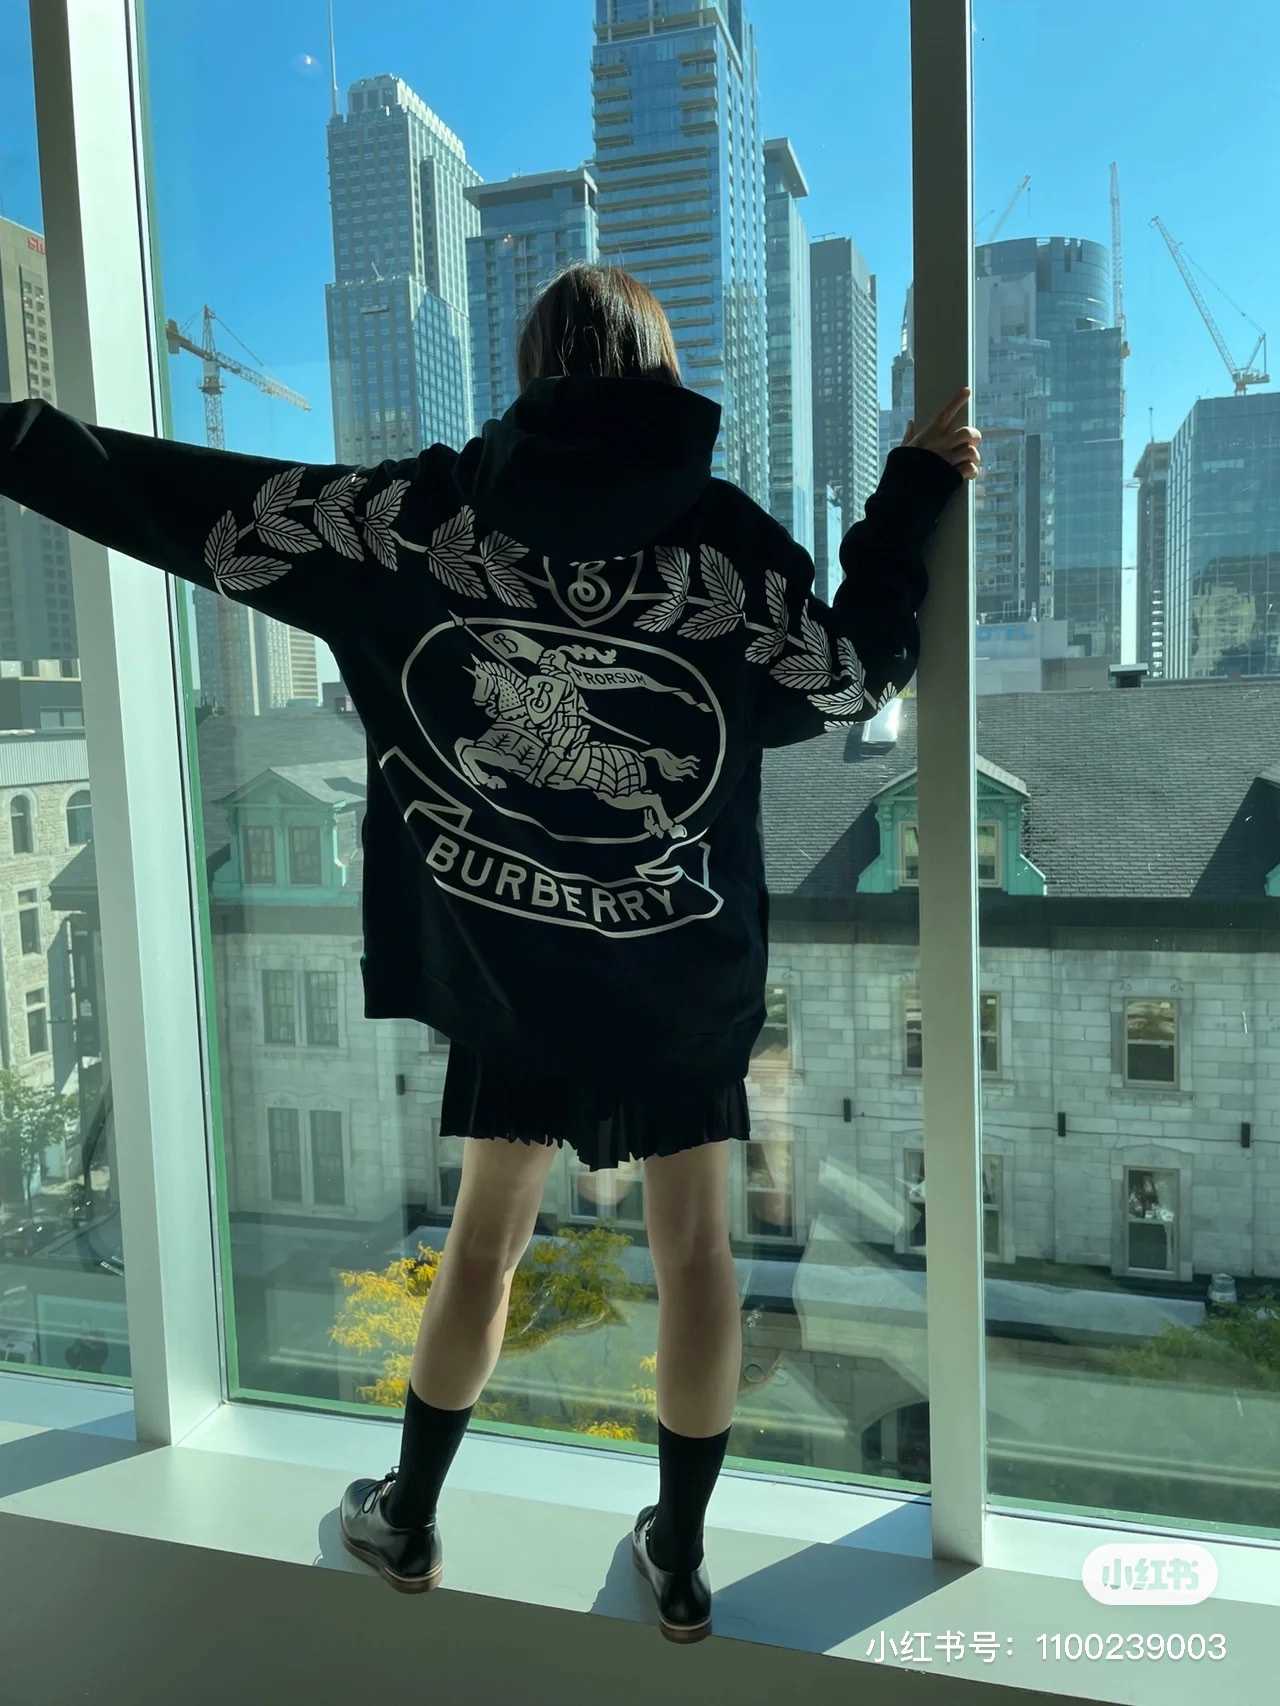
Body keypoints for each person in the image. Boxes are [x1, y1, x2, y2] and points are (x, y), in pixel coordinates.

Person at [0, 262, 979, 1640]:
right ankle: (681, 1562)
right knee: (699, 1256)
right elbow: (855, 673)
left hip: (512, 971)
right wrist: (912, 494)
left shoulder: (413, 523)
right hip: (677, 973)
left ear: (530, 368)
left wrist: (17, 439)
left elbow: (187, 506)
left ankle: (406, 1514)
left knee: (482, 1249)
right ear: (659, 367)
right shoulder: (732, 549)